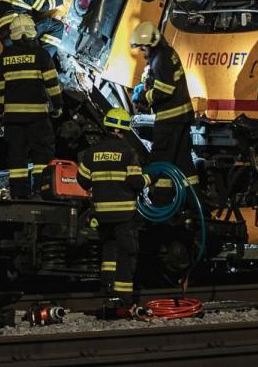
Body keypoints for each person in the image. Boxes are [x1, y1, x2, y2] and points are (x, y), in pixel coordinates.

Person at [77, 107, 148, 309]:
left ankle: (107, 287)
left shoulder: (92, 153)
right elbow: (136, 183)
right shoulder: (128, 152)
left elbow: (82, 181)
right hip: (124, 213)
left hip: (101, 213)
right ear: (123, 129)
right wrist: (150, 178)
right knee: (127, 252)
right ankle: (123, 298)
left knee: (109, 249)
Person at [0, 14, 64, 199]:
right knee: (42, 154)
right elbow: (52, 84)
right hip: (37, 118)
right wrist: (58, 105)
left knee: (17, 159)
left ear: (13, 34)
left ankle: (19, 196)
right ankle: (41, 193)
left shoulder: (3, 58)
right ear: (33, 32)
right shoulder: (41, 54)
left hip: (13, 119)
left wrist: (3, 110)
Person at [130, 21, 198, 204]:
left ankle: (160, 200)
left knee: (159, 158)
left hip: (170, 120)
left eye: (142, 49)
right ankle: (193, 201)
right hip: (181, 117)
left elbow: (164, 90)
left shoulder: (161, 60)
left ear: (150, 44)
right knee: (182, 162)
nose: (143, 54)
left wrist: (144, 96)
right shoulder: (166, 54)